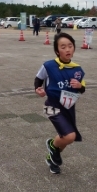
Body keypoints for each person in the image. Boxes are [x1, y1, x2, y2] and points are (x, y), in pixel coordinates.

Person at [34, 33, 86, 174]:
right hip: (51, 106)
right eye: (63, 47)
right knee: (70, 136)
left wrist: (78, 87)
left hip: (68, 107)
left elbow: (83, 89)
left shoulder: (78, 70)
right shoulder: (49, 66)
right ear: (57, 51)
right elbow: (38, 79)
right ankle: (51, 145)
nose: (67, 49)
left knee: (65, 138)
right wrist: (38, 89)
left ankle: (52, 157)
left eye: (70, 46)